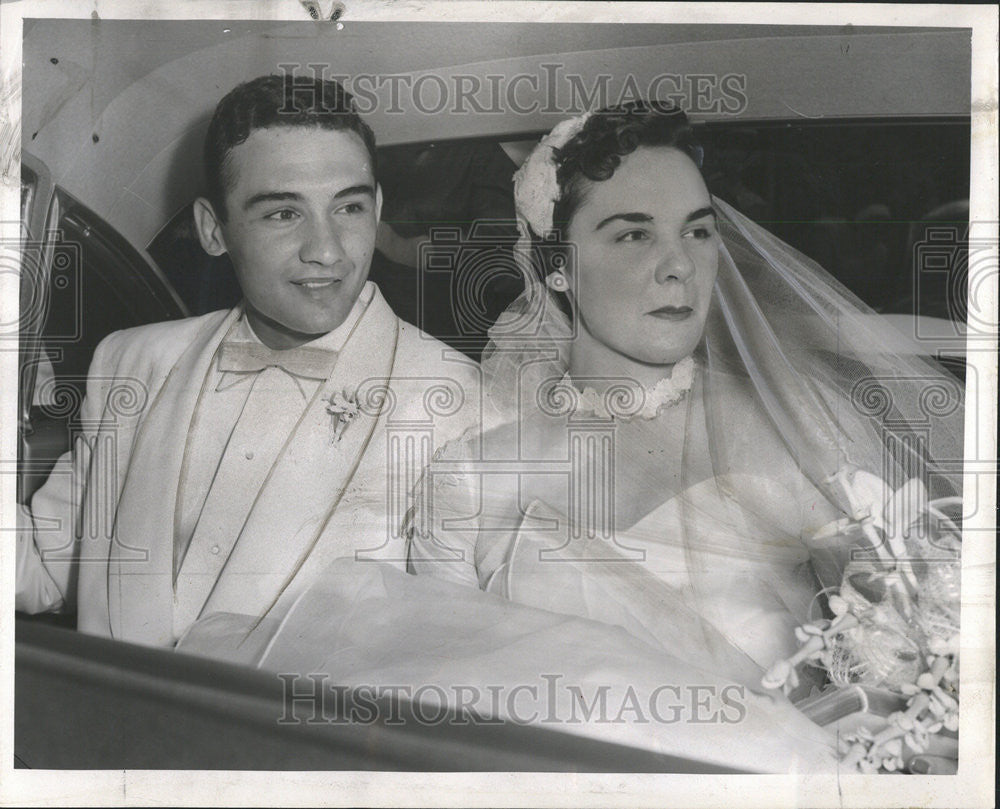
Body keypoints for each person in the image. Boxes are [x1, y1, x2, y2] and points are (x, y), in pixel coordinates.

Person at [407, 102, 964, 765]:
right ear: (557, 265)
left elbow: (921, 659)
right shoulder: (474, 474)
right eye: (633, 235)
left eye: (698, 232)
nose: (680, 266)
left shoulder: (795, 423)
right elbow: (434, 720)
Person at [15, 74, 480, 647]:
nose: (327, 250)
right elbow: (46, 568)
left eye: (349, 207)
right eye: (283, 214)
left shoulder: (458, 399)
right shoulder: (131, 361)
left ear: (378, 209)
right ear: (214, 230)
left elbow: (454, 650)